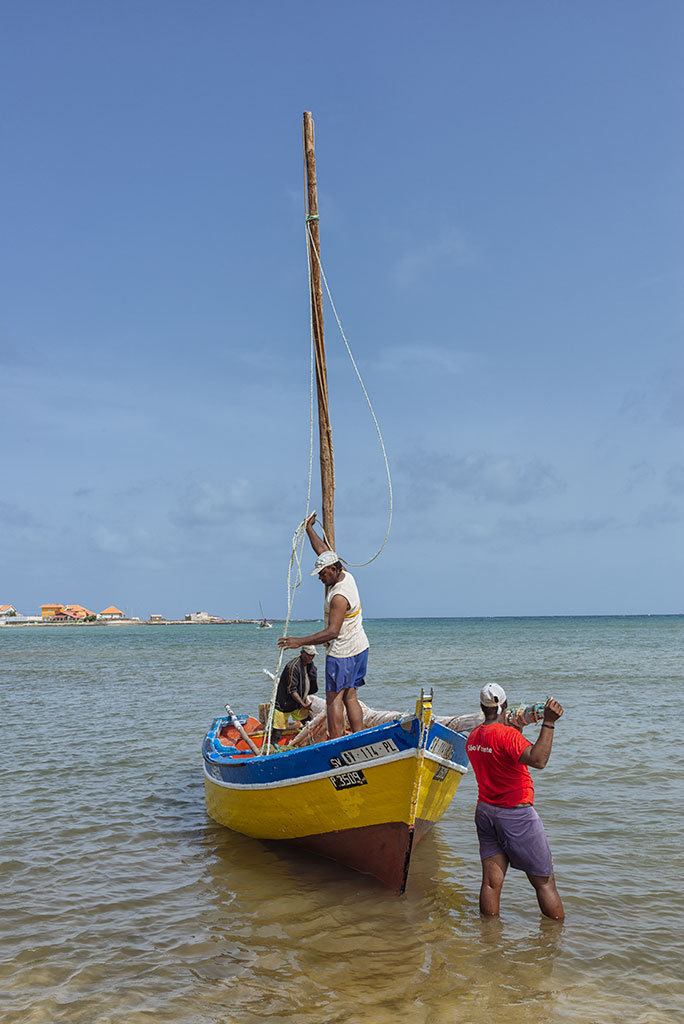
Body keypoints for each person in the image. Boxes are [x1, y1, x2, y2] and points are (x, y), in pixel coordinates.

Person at [465, 682, 565, 920]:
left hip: (486, 812)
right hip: (516, 814)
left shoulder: (473, 738)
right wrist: (548, 722)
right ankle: (556, 941)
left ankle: (489, 939)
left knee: (491, 883)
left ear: (482, 707)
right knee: (544, 881)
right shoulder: (507, 736)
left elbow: (499, 752)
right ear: (505, 705)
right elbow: (538, 760)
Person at [278, 513, 369, 739]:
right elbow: (323, 552)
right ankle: (359, 737)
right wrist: (310, 529)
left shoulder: (339, 596)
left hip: (344, 652)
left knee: (333, 699)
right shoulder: (345, 575)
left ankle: (337, 741)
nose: (319, 578)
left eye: (322, 573)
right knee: (350, 695)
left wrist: (298, 641)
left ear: (334, 569)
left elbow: (332, 632)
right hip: (360, 647)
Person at [271, 646, 318, 742]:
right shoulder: (292, 667)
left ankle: (311, 741)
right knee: (278, 730)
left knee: (308, 723)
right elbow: (292, 690)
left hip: (298, 703)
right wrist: (303, 704)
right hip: (284, 703)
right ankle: (273, 747)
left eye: (312, 655)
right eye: (309, 655)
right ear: (302, 653)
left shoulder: (310, 665)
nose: (311, 657)